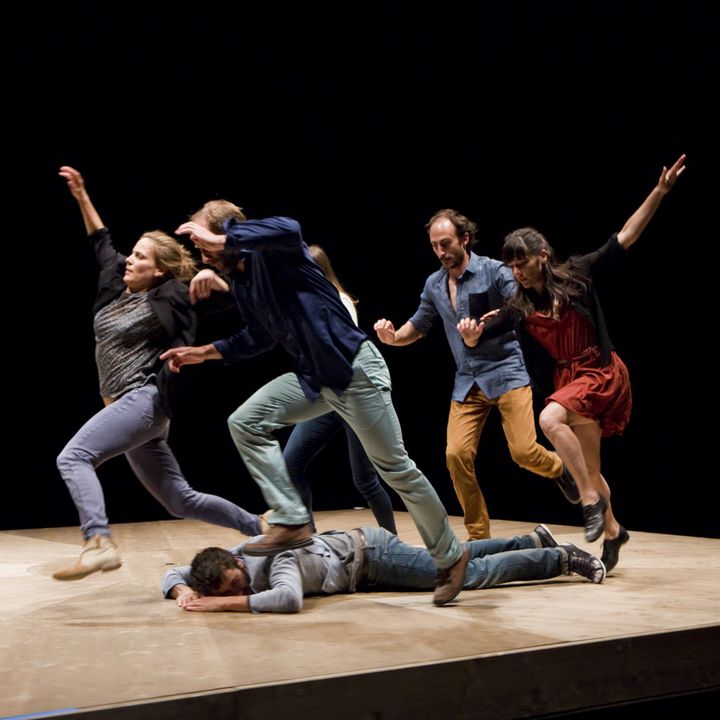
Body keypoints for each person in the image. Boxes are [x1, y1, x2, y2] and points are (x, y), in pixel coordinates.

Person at [159, 203, 468, 606]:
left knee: (396, 469)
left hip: (354, 370)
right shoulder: (243, 282)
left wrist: (222, 238)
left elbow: (289, 227)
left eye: (202, 238)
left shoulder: (274, 253)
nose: (199, 248)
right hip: (316, 379)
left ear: (229, 232)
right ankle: (290, 518)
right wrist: (207, 352)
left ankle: (450, 554)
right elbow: (257, 337)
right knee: (246, 421)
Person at [459, 154, 687, 572]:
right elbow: (485, 330)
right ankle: (614, 530)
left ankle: (588, 502)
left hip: (599, 373)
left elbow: (624, 238)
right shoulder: (521, 304)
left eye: (522, 261)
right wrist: (473, 333)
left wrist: (659, 191)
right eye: (511, 264)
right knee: (590, 469)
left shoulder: (577, 273)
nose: (517, 271)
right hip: (570, 381)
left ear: (542, 255)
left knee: (548, 422)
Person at [53, 167, 264, 581]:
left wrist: (216, 279)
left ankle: (98, 542)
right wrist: (81, 196)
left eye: (141, 257)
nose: (130, 260)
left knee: (73, 457)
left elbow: (235, 297)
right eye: (131, 254)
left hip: (144, 400)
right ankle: (262, 527)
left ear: (160, 270)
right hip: (127, 410)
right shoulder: (117, 284)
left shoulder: (170, 294)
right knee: (179, 500)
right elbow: (102, 241)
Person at [373, 209, 579, 541]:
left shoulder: (493, 271)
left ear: (464, 239)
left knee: (524, 452)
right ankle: (478, 535)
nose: (441, 252)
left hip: (506, 372)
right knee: (456, 455)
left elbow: (520, 305)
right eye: (434, 246)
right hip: (468, 380)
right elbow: (420, 323)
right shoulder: (435, 284)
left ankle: (559, 468)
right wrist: (394, 337)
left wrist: (481, 330)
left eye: (446, 243)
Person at [161, 523, 605, 613]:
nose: (235, 588)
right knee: (453, 555)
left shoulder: (274, 559)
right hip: (364, 549)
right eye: (225, 589)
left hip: (373, 559)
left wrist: (228, 605)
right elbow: (173, 572)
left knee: (466, 574)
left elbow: (288, 600)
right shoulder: (226, 559)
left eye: (236, 583)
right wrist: (182, 591)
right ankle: (530, 540)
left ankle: (560, 558)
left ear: (239, 565)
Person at [282, 244, 397, 534]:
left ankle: (392, 540)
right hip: (328, 399)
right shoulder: (304, 304)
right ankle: (306, 540)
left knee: (366, 480)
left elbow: (337, 350)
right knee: (291, 462)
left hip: (356, 397)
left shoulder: (340, 301)